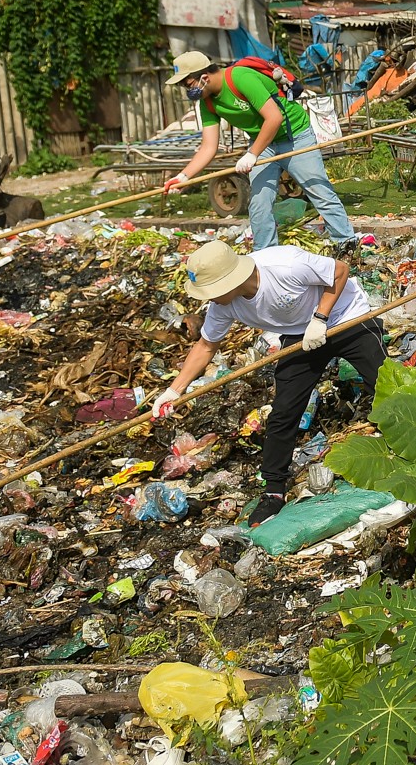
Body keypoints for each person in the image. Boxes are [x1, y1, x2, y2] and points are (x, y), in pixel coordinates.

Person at [149, 240, 380, 527]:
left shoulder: (285, 266)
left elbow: (340, 271)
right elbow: (207, 346)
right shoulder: (224, 305)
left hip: (346, 317)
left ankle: (404, 440)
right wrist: (173, 390)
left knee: (382, 384)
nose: (210, 298)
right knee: (284, 411)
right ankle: (273, 491)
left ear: (230, 280)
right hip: (299, 336)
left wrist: (321, 318)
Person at [163, 50, 358, 257]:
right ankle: (265, 255)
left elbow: (274, 118)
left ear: (204, 77)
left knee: (318, 190)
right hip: (263, 143)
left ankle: (346, 243)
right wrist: (183, 177)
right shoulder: (207, 102)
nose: (186, 90)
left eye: (187, 84)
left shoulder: (241, 78)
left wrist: (251, 155)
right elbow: (208, 147)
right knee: (259, 202)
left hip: (295, 136)